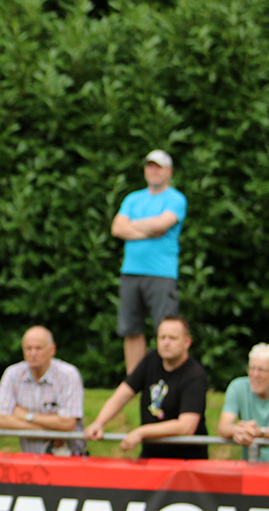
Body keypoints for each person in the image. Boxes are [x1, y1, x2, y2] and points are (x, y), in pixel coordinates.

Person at [84, 315, 208, 459]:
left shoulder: (194, 375)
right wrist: (99, 422)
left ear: (187, 342)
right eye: (162, 338)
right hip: (151, 458)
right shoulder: (151, 360)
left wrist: (142, 432)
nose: (166, 343)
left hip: (186, 463)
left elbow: (186, 426)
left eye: (172, 338)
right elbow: (124, 393)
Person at [111, 149, 187, 374]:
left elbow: (162, 225)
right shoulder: (133, 198)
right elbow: (117, 228)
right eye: (150, 166)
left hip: (162, 274)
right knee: (130, 329)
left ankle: (168, 380)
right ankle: (134, 383)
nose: (153, 171)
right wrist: (148, 229)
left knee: (166, 331)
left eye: (159, 166)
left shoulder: (175, 199)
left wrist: (132, 226)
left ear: (169, 172)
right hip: (131, 272)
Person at [0, 326, 85, 456]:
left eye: (38, 348)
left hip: (68, 459)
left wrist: (26, 416)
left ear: (52, 349)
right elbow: (0, 420)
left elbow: (68, 423)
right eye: (28, 348)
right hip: (29, 461)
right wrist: (50, 431)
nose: (33, 353)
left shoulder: (68, 375)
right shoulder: (12, 373)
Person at [216, 343, 269, 462]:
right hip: (252, 470)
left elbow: (258, 431)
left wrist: (260, 432)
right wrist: (237, 430)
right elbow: (222, 427)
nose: (255, 375)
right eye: (252, 368)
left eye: (262, 370)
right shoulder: (238, 387)